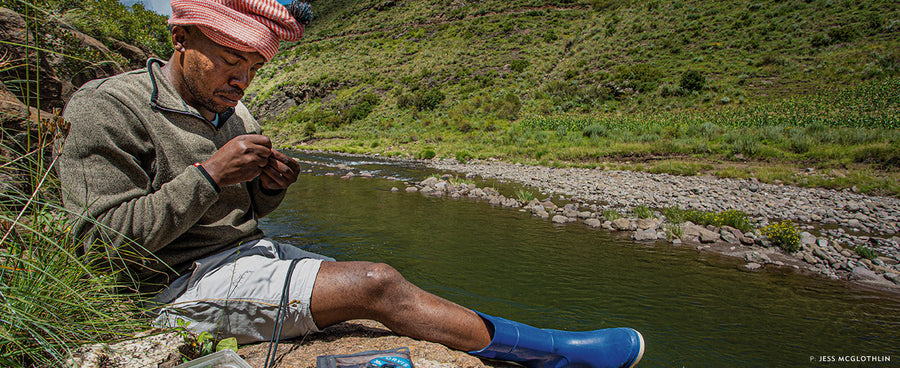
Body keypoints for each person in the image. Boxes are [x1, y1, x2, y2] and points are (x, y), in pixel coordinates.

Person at [53, 0, 644, 367]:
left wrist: (267, 188)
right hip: (169, 288)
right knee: (378, 284)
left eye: (255, 67)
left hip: (245, 256)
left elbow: (240, 212)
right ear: (181, 40)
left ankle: (518, 346)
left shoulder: (236, 114)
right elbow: (94, 244)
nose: (243, 77)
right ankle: (554, 353)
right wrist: (211, 174)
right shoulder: (107, 106)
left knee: (387, 285)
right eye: (231, 57)